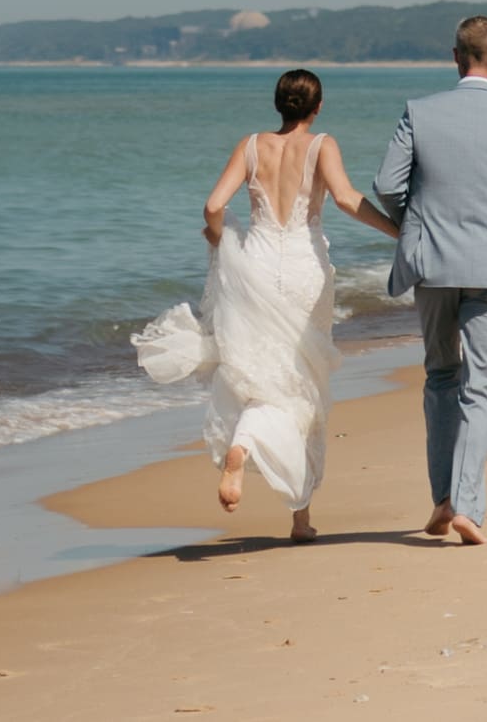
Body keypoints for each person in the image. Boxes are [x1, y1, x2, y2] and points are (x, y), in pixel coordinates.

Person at [133, 69, 398, 542]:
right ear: (317, 108)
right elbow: (344, 198)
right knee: (302, 380)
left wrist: (221, 243)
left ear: (278, 105)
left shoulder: (252, 145)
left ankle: (247, 446)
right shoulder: (322, 146)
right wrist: (399, 231)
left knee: (260, 373)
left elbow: (214, 206)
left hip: (254, 264)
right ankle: (298, 512)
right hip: (303, 269)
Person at [374, 16, 487, 546]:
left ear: (455, 56)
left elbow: (387, 184)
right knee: (481, 390)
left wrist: (415, 220)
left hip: (432, 264)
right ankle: (468, 509)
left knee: (440, 377)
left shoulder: (420, 112)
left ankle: (443, 501)